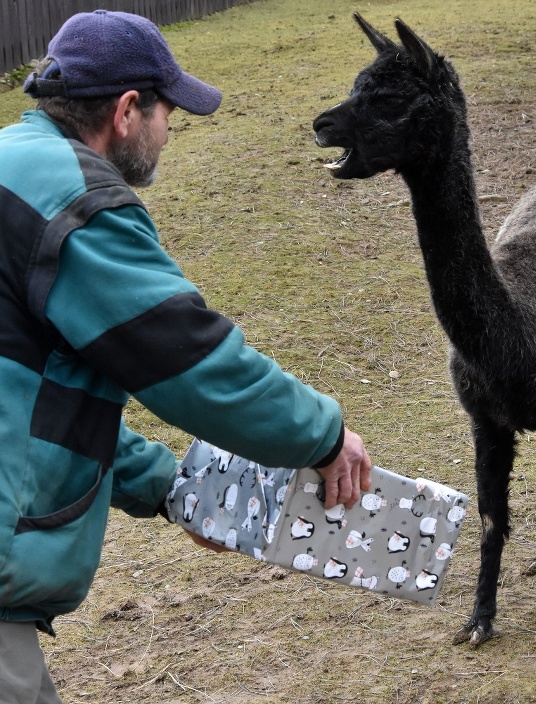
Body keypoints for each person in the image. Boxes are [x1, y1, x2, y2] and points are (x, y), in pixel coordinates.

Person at [0, 9, 372, 702]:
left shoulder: (10, 166)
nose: (170, 133)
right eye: (169, 112)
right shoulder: (77, 203)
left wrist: (171, 489)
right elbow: (187, 358)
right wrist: (322, 437)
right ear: (127, 110)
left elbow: (37, 405)